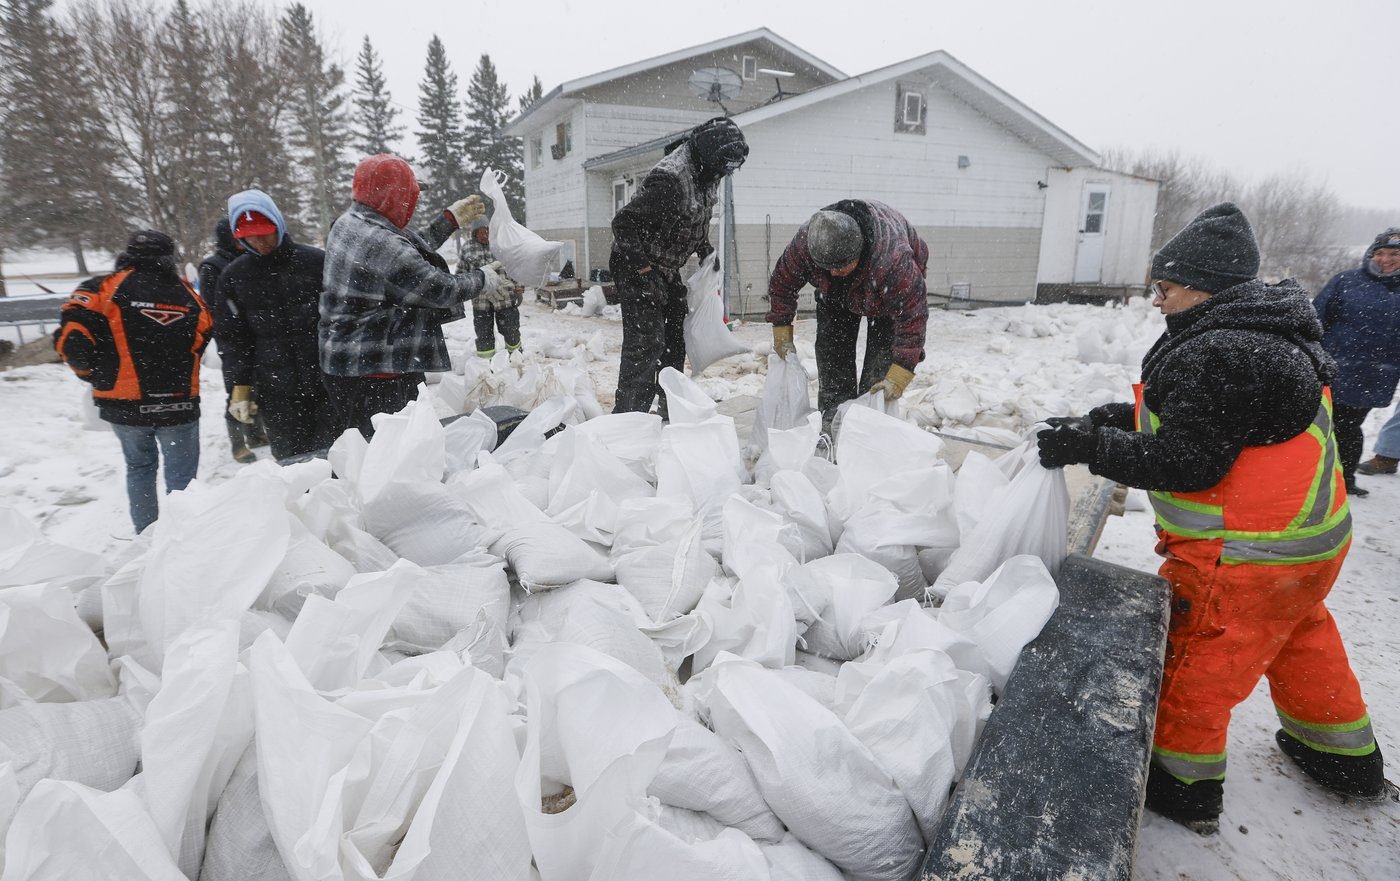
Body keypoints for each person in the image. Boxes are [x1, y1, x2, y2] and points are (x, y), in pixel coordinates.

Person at [1035, 203, 1387, 834]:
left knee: (1198, 663)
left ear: (1204, 287)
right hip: (1305, 550)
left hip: (1244, 555)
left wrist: (1090, 449)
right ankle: (1343, 757)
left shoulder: (1223, 351)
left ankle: (1182, 786)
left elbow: (1191, 459)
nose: (1156, 299)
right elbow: (1217, 422)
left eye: (1164, 288)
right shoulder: (1268, 335)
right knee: (1302, 641)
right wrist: (1116, 420)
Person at [320, 153, 501, 438]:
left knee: (381, 451)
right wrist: (484, 278)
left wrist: (449, 220)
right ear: (393, 197)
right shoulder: (379, 242)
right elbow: (440, 289)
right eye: (409, 196)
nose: (412, 204)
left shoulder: (352, 222)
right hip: (375, 378)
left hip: (357, 366)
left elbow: (405, 253)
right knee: (389, 456)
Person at [54, 230, 212, 534]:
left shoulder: (101, 288)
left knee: (140, 469)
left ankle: (146, 540)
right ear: (170, 256)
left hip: (124, 404)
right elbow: (203, 336)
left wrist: (96, 377)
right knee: (183, 481)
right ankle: (184, 539)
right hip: (179, 403)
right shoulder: (188, 295)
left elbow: (72, 341)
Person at [609, 116, 748, 416]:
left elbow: (695, 215)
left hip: (665, 265)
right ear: (710, 158)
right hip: (635, 264)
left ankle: (668, 411)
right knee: (646, 345)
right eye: (723, 167)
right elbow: (623, 223)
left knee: (674, 339)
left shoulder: (709, 172)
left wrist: (704, 248)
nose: (724, 174)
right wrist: (644, 271)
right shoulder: (670, 181)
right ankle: (628, 420)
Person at [766, 200, 929, 422]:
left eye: (840, 266)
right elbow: (782, 284)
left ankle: (869, 425)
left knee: (879, 374)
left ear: (858, 253)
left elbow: (913, 315)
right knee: (832, 352)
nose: (833, 272)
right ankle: (833, 419)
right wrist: (781, 329)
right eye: (827, 266)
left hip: (885, 300)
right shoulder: (806, 243)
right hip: (834, 296)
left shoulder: (892, 259)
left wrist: (901, 371)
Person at [215, 189, 338, 462]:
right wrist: (239, 387)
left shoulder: (316, 263)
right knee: (291, 464)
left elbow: (342, 320)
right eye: (249, 235)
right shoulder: (234, 277)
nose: (259, 242)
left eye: (265, 232)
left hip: (327, 386)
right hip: (277, 394)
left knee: (335, 462)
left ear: (278, 224)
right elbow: (233, 340)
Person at [1314, 228, 1400, 495]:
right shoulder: (1346, 281)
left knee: (1348, 426)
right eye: (1380, 253)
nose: (1385, 259)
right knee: (1322, 425)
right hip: (1332, 367)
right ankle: (1318, 480)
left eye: (1394, 254)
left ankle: (1341, 480)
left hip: (1375, 376)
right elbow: (1315, 319)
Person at [198, 217, 264, 464]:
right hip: (233, 341)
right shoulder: (212, 267)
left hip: (259, 336)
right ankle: (238, 443)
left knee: (260, 387)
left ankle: (256, 433)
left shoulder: (252, 259)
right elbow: (214, 307)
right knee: (238, 391)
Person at [461, 217, 523, 358]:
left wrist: (519, 285)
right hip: (480, 301)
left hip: (505, 298)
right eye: (481, 232)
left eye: (487, 231)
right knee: (483, 334)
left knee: (511, 330)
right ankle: (486, 365)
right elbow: (461, 273)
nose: (484, 235)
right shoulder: (467, 248)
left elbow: (515, 267)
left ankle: (516, 360)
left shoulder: (502, 245)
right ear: (474, 233)